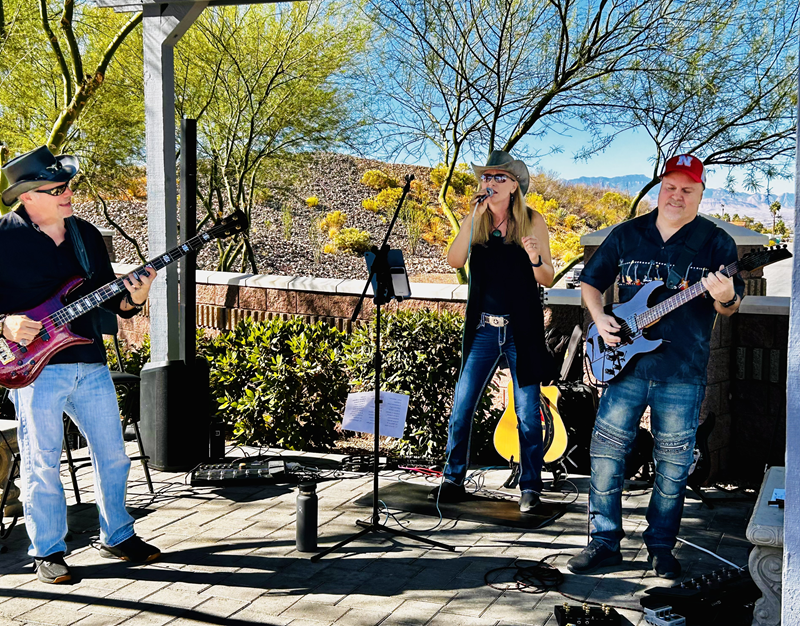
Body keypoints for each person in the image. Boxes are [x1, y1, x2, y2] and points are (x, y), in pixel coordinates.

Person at [567, 154, 744, 578]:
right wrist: (600, 319)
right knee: (606, 456)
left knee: (672, 465)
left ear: (701, 193)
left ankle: (661, 546)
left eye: (688, 189)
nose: (677, 195)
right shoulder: (628, 234)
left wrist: (723, 294)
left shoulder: (715, 243)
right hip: (623, 367)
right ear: (660, 188)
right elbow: (591, 283)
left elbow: (731, 308)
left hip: (682, 372)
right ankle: (603, 542)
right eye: (671, 186)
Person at [0, 146, 160, 584]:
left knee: (113, 455)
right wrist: (5, 323)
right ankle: (47, 551)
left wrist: (138, 296)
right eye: (57, 188)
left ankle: (118, 535)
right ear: (28, 196)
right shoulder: (2, 239)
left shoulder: (85, 236)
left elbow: (115, 302)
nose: (68, 193)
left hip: (88, 360)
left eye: (68, 184)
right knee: (42, 462)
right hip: (33, 370)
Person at [429, 150, 554, 513]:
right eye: (487, 177)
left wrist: (533, 257)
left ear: (515, 186)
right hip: (484, 328)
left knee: (528, 412)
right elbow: (454, 260)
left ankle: (531, 487)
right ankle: (453, 479)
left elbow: (546, 276)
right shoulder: (478, 222)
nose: (491, 183)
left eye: (501, 178)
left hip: (521, 330)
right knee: (462, 405)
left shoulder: (532, 221)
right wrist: (471, 219)